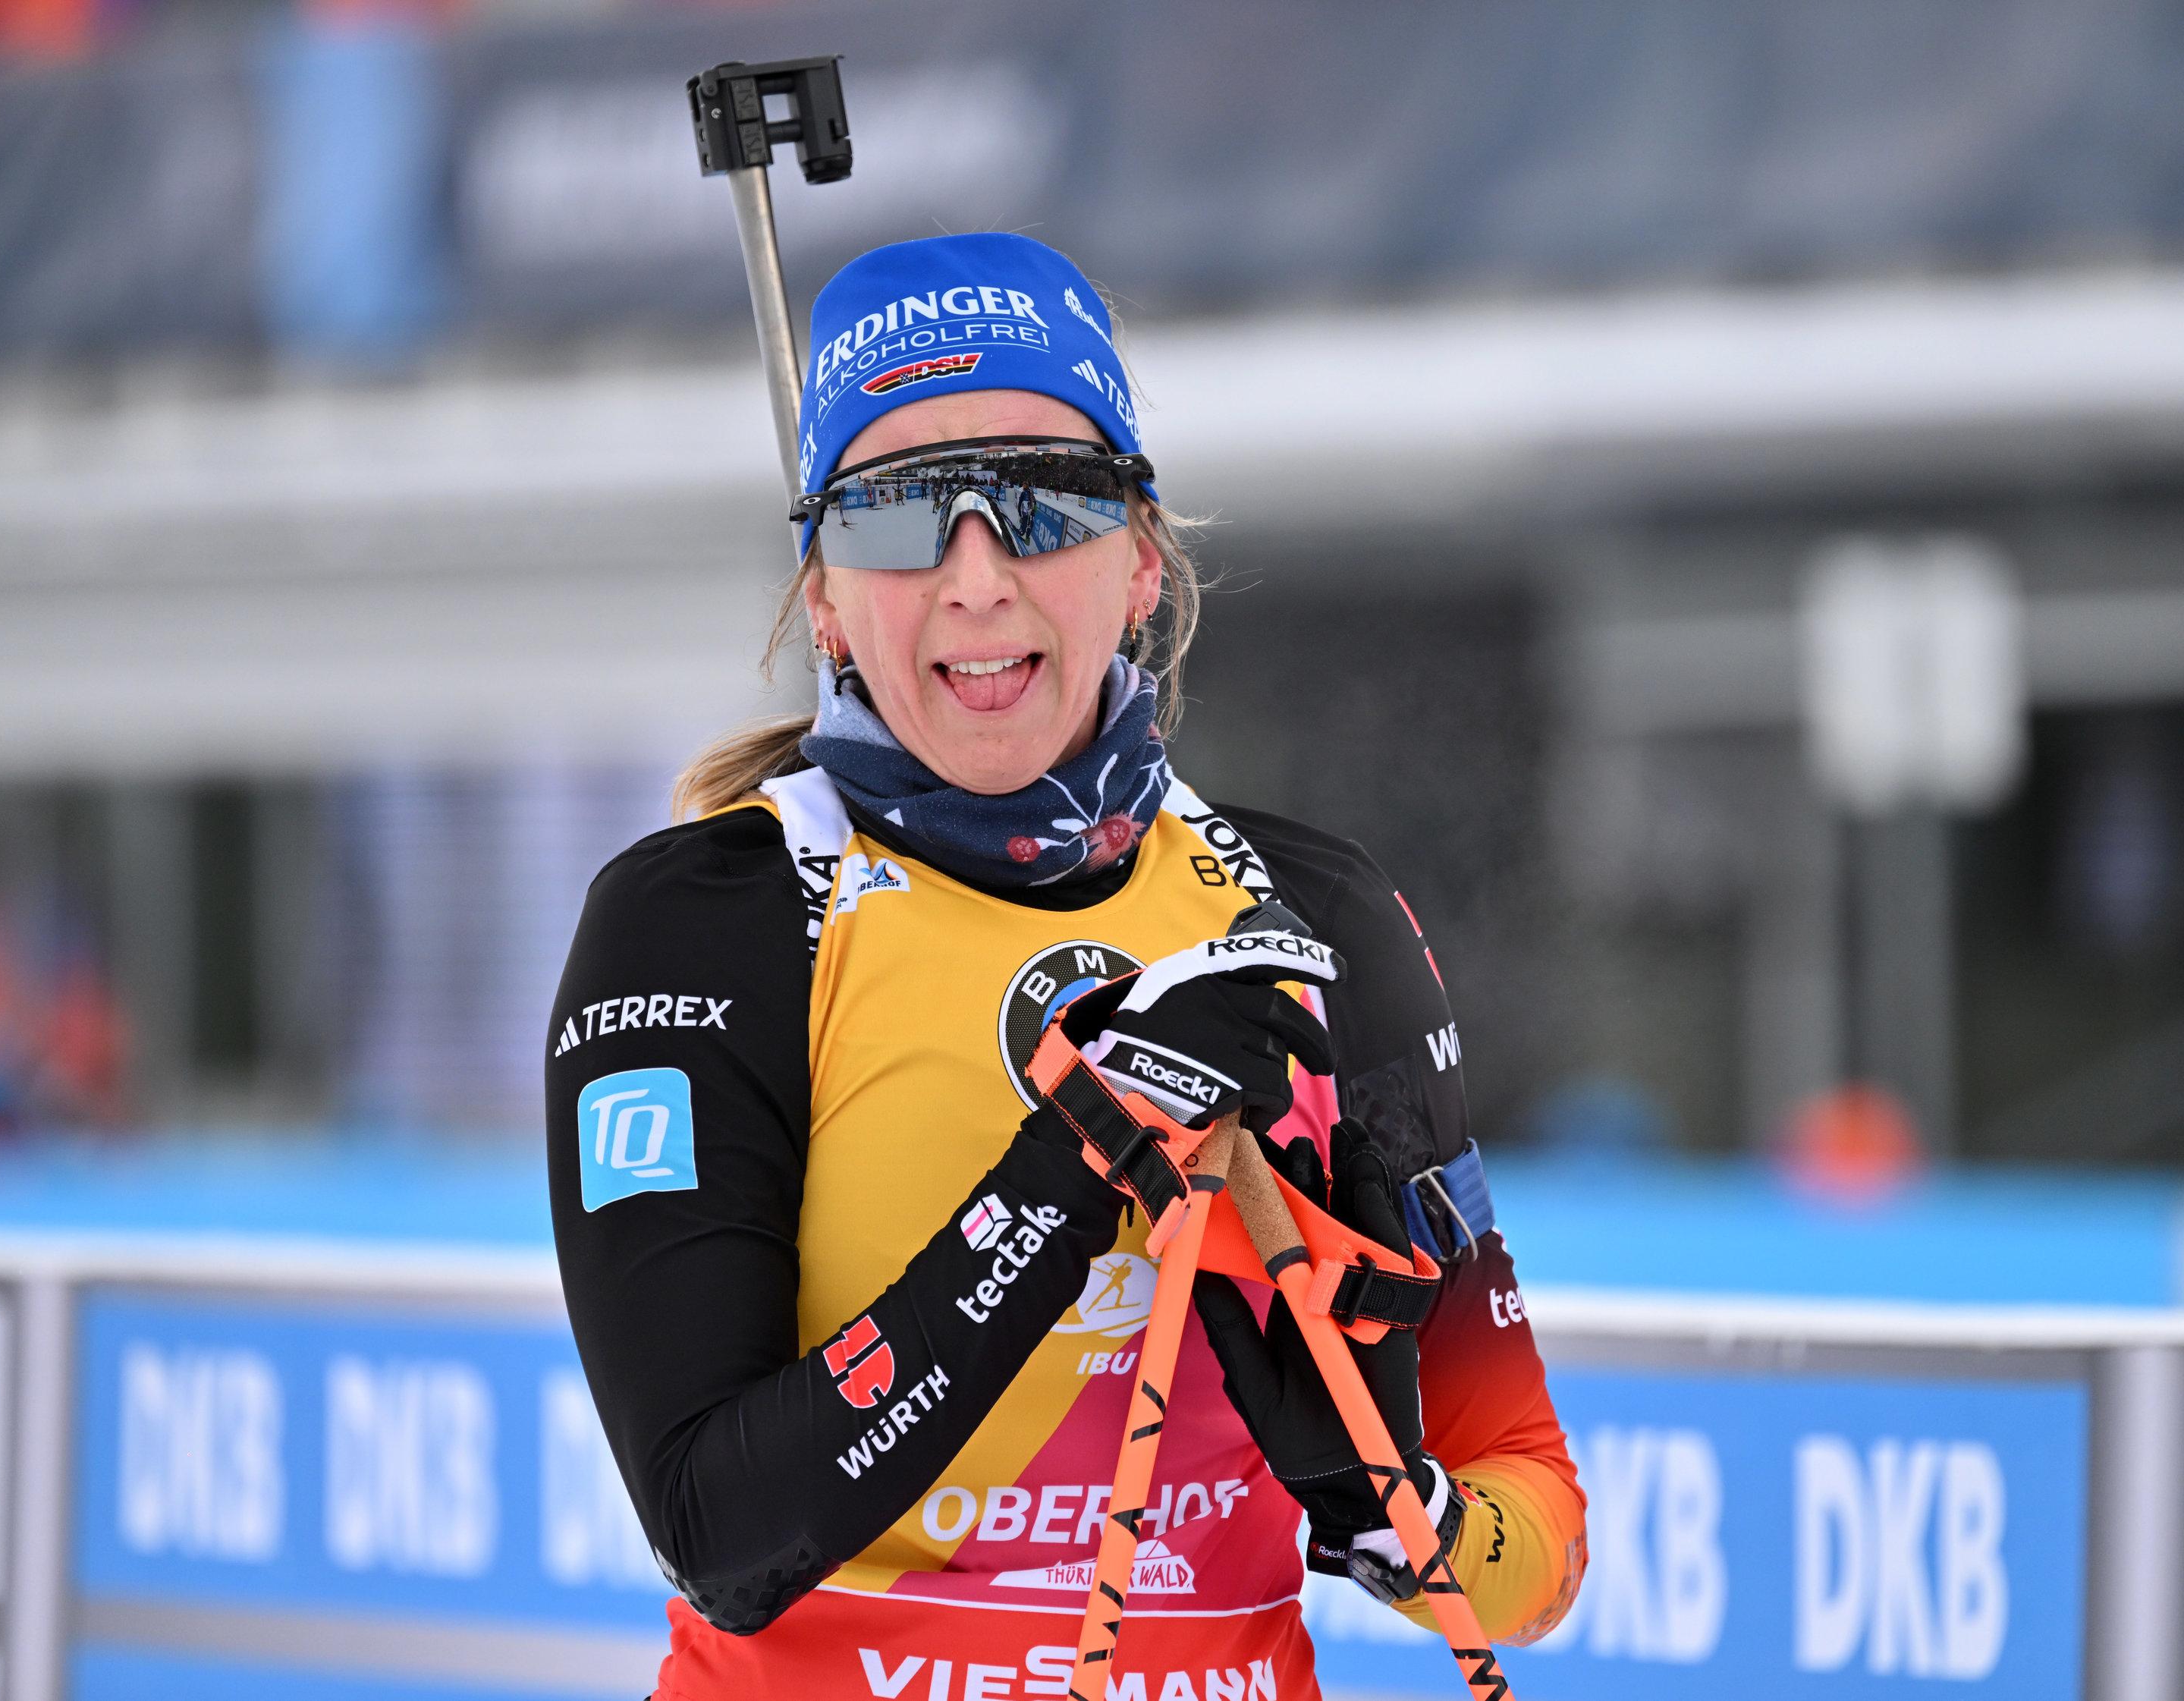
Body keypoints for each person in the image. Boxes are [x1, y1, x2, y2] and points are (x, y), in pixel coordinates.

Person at [546, 233, 1585, 1701]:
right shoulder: (710, 920)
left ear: (1141, 559)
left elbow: (1535, 1524)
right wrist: (1074, 1164)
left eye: (1041, 500)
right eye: (899, 513)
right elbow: (718, 1527)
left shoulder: (1312, 920)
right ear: (825, 593)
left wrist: (1388, 1503)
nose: (976, 578)